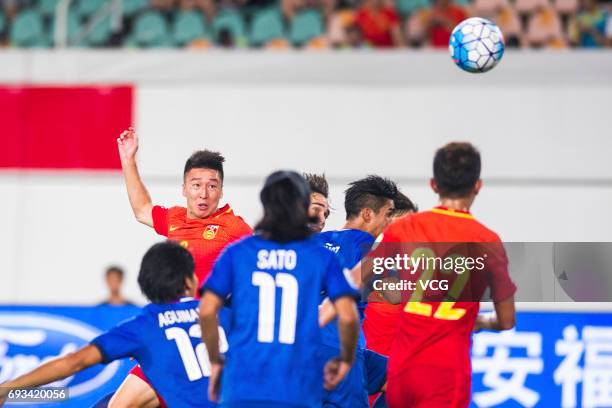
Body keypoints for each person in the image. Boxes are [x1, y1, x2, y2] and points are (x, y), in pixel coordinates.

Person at [352, 142, 517, 408]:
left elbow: (354, 278)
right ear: (477, 186)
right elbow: (507, 320)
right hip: (446, 375)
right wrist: (481, 323)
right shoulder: (488, 241)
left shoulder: (405, 229)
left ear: (433, 185)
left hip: (402, 372)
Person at [114, 127, 252, 407]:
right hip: (170, 336)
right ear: (184, 189)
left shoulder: (234, 228)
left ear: (221, 191)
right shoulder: (175, 219)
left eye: (212, 186)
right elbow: (142, 209)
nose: (204, 193)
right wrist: (128, 161)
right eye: (196, 185)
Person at [199, 170, 360, 407]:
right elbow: (348, 315)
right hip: (298, 387)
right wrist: (345, 359)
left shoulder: (237, 253)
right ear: (302, 205)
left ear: (265, 203)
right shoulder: (321, 256)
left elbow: (206, 311)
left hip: (241, 384)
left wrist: (215, 360)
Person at [0, 242, 223, 408]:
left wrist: (9, 388)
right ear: (189, 281)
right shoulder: (225, 313)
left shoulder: (146, 326)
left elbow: (74, 362)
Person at [314, 175, 399, 408]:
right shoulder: (370, 250)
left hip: (301, 347)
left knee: (402, 377)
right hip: (341, 348)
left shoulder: (315, 242)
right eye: (388, 213)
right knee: (416, 380)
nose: (391, 221)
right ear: (368, 214)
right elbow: (396, 296)